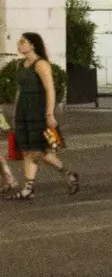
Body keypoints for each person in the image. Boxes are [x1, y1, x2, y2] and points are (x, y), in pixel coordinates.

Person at [8, 33, 77, 199]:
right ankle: (30, 187)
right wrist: (15, 111)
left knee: (37, 151)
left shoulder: (41, 64)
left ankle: (64, 174)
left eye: (23, 41)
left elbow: (50, 89)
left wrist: (49, 113)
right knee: (27, 150)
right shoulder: (20, 64)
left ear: (33, 45)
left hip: (38, 111)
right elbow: (19, 90)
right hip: (23, 112)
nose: (19, 44)